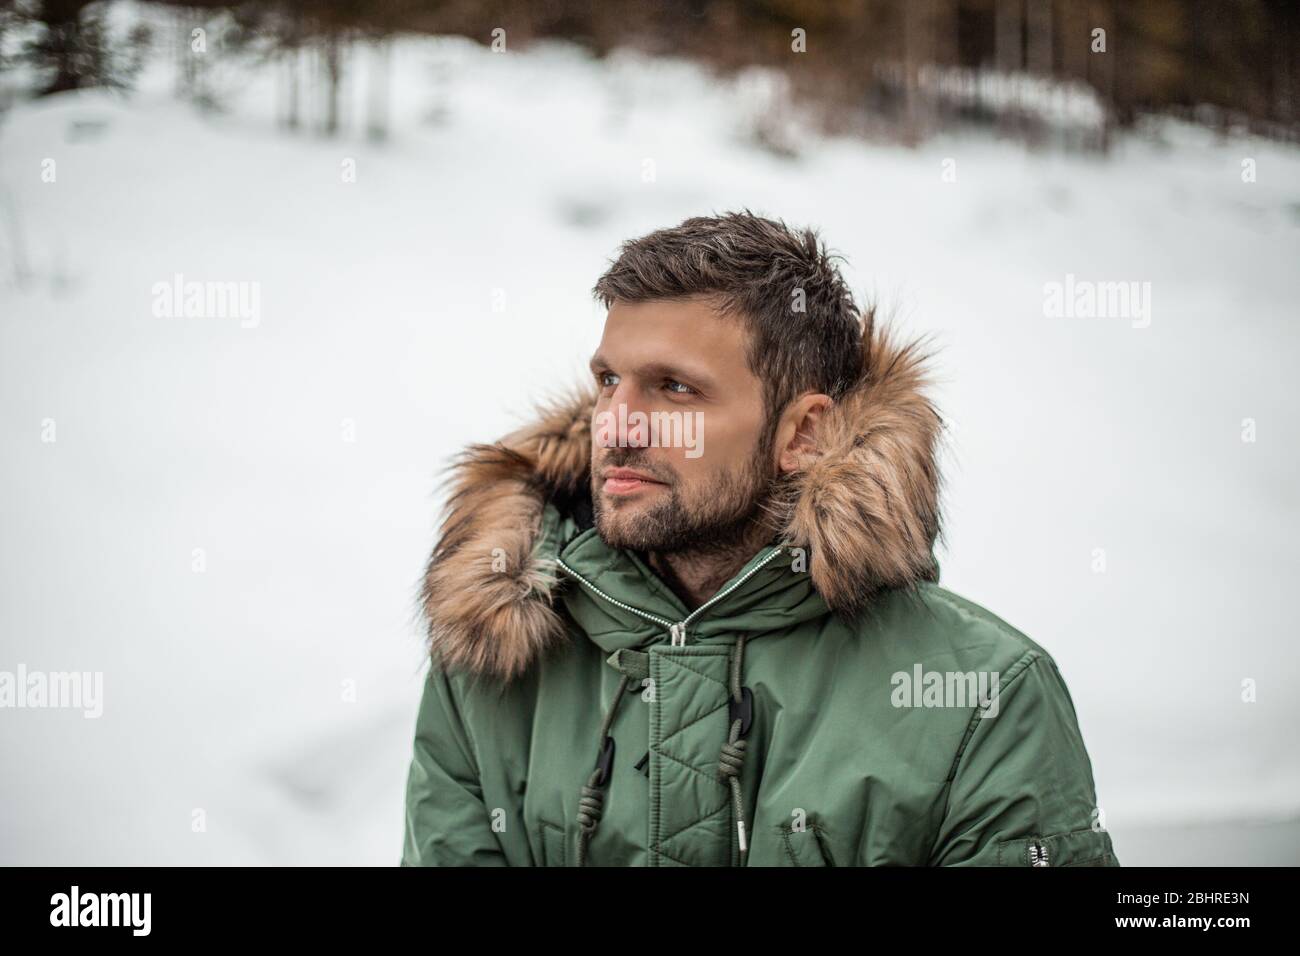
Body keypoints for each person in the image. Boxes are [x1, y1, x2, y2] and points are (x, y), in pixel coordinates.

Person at [401, 211, 1118, 867]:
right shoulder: (493, 655)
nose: (616, 425)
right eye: (609, 380)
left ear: (802, 434)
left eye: (674, 389)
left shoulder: (983, 698)